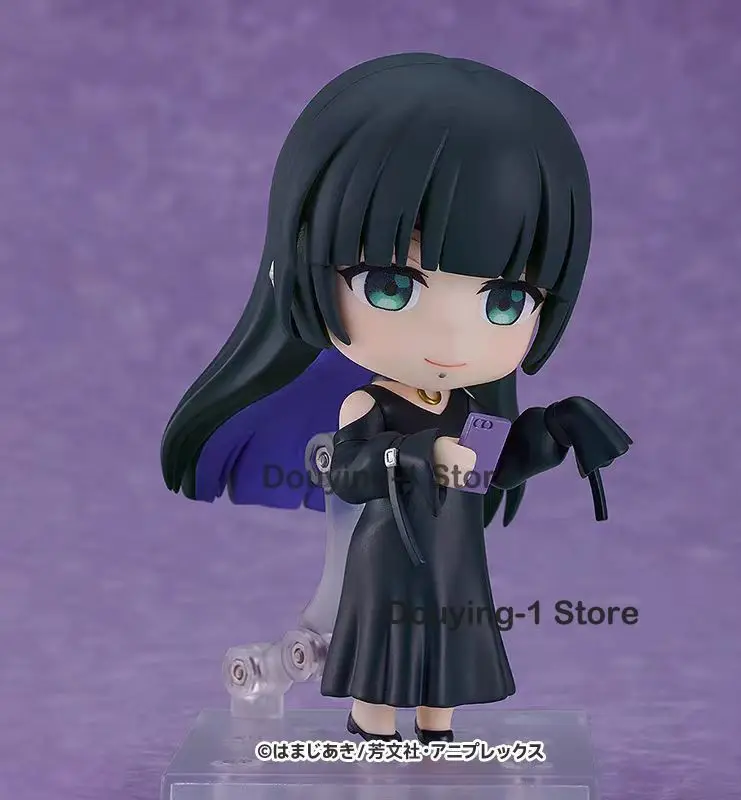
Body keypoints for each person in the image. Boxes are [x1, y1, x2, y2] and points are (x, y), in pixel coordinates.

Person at [160, 53, 632, 743]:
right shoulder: (366, 407)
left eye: (505, 300)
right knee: (383, 670)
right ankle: (372, 735)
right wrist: (418, 456)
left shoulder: (471, 411)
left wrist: (552, 432)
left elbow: (491, 469)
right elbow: (352, 471)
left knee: (445, 671)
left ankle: (438, 741)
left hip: (454, 565)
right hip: (387, 564)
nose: (451, 338)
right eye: (392, 286)